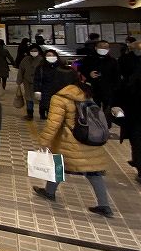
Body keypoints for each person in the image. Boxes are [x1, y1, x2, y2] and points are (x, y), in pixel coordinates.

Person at [32, 73, 114, 217]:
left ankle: (49, 192)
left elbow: (53, 124)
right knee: (94, 173)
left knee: (59, 165)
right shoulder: (86, 93)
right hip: (89, 139)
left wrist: (43, 141)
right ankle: (104, 205)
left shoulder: (60, 98)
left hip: (69, 141)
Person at [115, 39, 141, 182]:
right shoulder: (126, 63)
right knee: (136, 139)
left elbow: (119, 85)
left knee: (136, 139)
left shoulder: (125, 63)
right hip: (133, 110)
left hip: (133, 111)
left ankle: (138, 163)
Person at [80, 40, 119, 121]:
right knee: (93, 110)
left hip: (108, 89)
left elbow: (116, 76)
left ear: (109, 49)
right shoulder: (88, 59)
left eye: (106, 47)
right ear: (96, 48)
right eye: (101, 47)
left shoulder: (112, 61)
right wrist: (89, 74)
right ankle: (94, 126)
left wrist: (115, 88)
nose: (103, 49)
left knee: (108, 110)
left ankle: (107, 126)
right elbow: (81, 68)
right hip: (92, 88)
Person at [33, 49, 75, 121]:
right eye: (49, 55)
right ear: (45, 57)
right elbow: (37, 79)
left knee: (57, 107)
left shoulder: (61, 66)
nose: (51, 57)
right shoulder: (41, 67)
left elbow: (66, 78)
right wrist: (37, 90)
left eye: (53, 55)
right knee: (46, 106)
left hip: (58, 90)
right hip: (45, 90)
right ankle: (44, 115)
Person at [16, 44, 43, 120]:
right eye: (32, 51)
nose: (33, 52)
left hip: (39, 83)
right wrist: (19, 80)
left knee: (40, 99)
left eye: (35, 51)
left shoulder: (42, 59)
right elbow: (21, 70)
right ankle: (30, 114)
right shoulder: (25, 59)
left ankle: (42, 114)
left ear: (39, 51)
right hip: (27, 82)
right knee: (29, 98)